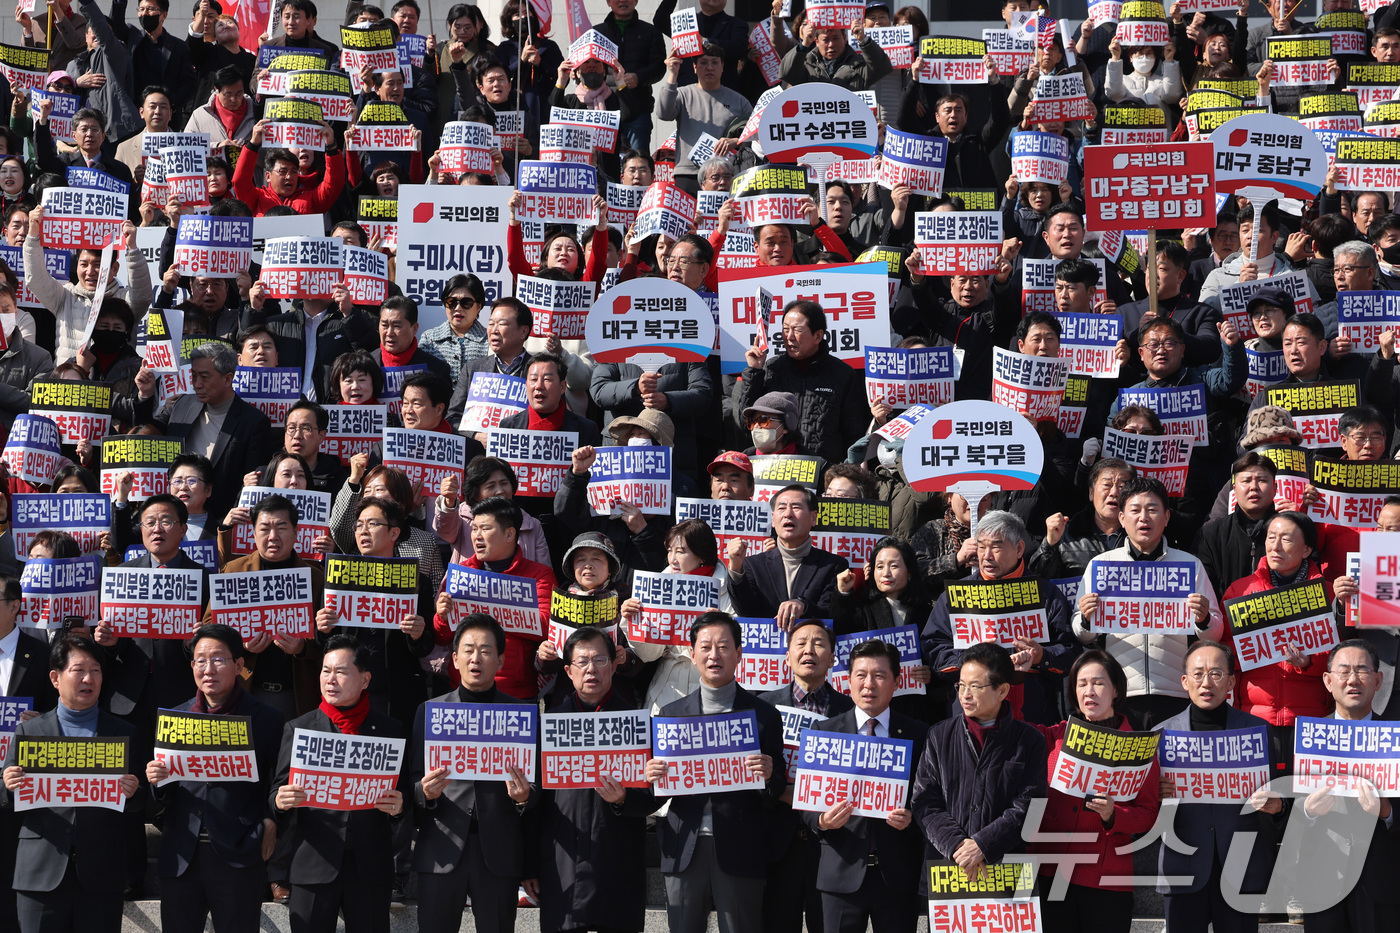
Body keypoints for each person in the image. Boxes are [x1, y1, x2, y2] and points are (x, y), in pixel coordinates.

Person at [645, 611, 786, 933]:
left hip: (740, 846)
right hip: (683, 846)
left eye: (723, 646)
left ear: (738, 653)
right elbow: (657, 791)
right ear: (691, 654)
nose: (714, 654)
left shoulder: (764, 715)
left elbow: (776, 788)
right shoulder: (670, 715)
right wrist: (651, 776)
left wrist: (767, 774)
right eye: (705, 646)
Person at [145, 623, 284, 933]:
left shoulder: (267, 720)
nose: (208, 668)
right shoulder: (173, 719)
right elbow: (164, 797)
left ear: (238, 664)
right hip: (181, 856)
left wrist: (271, 820)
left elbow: (280, 780)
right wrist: (158, 779)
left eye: (218, 659)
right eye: (200, 660)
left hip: (239, 853)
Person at [3, 633, 145, 933]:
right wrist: (8, 784)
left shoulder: (123, 733)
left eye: (95, 670)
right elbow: (7, 799)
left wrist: (132, 793)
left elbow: (138, 802)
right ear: (56, 678)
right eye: (78, 670)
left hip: (101, 876)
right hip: (40, 873)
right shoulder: (30, 732)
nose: (88, 678)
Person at [270, 635, 407, 933]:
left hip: (370, 866)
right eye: (325, 671)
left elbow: (407, 797)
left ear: (365, 678)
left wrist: (400, 805)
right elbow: (275, 795)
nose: (330, 679)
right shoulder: (299, 729)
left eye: (341, 672)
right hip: (312, 864)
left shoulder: (389, 731)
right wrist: (280, 801)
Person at [410, 614, 537, 933]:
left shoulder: (522, 716)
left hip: (499, 853)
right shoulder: (429, 712)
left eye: (485, 650)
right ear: (454, 658)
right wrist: (425, 793)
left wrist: (524, 798)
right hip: (441, 850)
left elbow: (539, 789)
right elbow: (411, 781)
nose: (475, 658)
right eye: (467, 650)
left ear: (501, 659)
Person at [1073, 477, 1226, 729]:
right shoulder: (1102, 566)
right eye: (1135, 510)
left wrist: (1204, 619)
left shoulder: (1189, 566)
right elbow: (1081, 634)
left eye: (1153, 510)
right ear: (1122, 518)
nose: (1144, 517)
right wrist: (1087, 619)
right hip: (1120, 693)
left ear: (1166, 517)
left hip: (1175, 692)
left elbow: (1216, 632)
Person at [1027, 650, 1161, 933]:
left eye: (1099, 683)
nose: (1089, 691)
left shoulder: (1139, 747)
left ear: (1116, 690)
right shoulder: (1053, 736)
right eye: (1081, 683)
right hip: (1052, 871)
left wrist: (1114, 815)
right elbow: (1008, 728)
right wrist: (1018, 678)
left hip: (1107, 877)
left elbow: (1148, 813)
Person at [534, 626, 656, 933]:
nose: (591, 669)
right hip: (561, 866)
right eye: (582, 661)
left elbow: (658, 792)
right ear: (568, 670)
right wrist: (527, 866)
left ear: (614, 666)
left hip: (617, 863)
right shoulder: (549, 727)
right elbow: (534, 803)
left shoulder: (638, 724)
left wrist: (625, 799)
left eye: (600, 660)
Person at [1155, 640, 1282, 933]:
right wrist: (1155, 795)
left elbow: (1278, 798)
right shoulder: (1160, 736)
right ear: (1185, 681)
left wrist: (1278, 806)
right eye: (1198, 674)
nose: (1206, 682)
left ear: (1231, 682)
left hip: (1242, 868)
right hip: (1182, 867)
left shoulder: (1258, 733)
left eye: (1216, 673)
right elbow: (1145, 814)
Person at [804, 638, 927, 933]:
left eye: (879, 675)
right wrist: (821, 820)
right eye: (860, 675)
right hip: (839, 874)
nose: (868, 684)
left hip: (897, 875)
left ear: (897, 682)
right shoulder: (825, 731)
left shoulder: (919, 734)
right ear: (848, 681)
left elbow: (930, 800)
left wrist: (912, 821)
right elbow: (805, 803)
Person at [923, 510, 1079, 725]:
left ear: (1019, 549)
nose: (986, 556)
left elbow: (1071, 651)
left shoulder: (1045, 594)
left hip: (1032, 712)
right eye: (981, 546)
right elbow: (933, 647)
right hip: (971, 713)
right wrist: (968, 658)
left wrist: (1042, 655)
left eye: (996, 547)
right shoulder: (958, 594)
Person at [911, 642, 1046, 882]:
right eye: (961, 685)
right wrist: (958, 846)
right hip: (949, 871)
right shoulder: (939, 735)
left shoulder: (1029, 740)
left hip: (1007, 873)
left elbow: (1031, 808)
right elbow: (925, 802)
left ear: (1002, 690)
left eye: (975, 686)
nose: (964, 695)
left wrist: (983, 845)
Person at [1292, 639, 1400, 930]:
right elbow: (1282, 815)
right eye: (1344, 671)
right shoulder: (1304, 739)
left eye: (1363, 670)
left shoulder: (1396, 740)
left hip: (1382, 885)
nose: (1353, 679)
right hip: (1321, 885)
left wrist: (1388, 812)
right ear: (1327, 681)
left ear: (1378, 680)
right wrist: (1307, 812)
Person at [759, 617, 854, 933]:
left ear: (832, 657)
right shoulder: (761, 708)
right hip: (774, 844)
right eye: (800, 643)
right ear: (787, 657)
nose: (809, 650)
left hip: (831, 846)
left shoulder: (852, 712)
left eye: (818, 643)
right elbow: (752, 779)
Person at [121, 342, 277, 521]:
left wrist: (225, 523)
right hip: (172, 518)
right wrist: (145, 394)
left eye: (204, 377)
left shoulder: (254, 422)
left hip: (218, 523)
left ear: (227, 379)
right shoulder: (183, 404)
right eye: (193, 376)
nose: (197, 384)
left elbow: (254, 484)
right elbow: (146, 436)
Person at [313, 497, 432, 726]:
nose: (363, 531)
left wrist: (418, 635)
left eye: (372, 524)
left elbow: (426, 646)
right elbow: (323, 642)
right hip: (347, 694)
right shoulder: (338, 575)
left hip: (396, 692)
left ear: (394, 533)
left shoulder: (416, 582)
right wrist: (324, 628)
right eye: (359, 525)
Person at [209, 495, 324, 719]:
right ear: (253, 533)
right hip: (245, 688)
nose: (273, 536)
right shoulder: (233, 572)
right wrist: (240, 645)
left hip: (297, 694)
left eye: (281, 527)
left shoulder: (315, 579)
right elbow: (209, 626)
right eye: (264, 528)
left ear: (296, 533)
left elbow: (330, 637)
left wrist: (302, 648)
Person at [429, 496, 554, 700]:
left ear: (509, 534)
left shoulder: (538, 575)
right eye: (475, 528)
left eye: (485, 529)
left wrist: (490, 608)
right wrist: (442, 616)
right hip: (463, 691)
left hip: (518, 694)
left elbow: (546, 625)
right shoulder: (461, 574)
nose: (477, 535)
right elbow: (442, 637)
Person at [735, 300, 871, 465]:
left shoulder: (843, 374)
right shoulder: (771, 369)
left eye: (797, 329)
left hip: (823, 474)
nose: (789, 336)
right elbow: (744, 424)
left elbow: (854, 434)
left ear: (818, 336)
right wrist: (754, 371)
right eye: (785, 329)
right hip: (772, 470)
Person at [23, 207, 150, 364]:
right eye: (84, 264)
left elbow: (143, 296)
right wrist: (33, 236)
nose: (90, 271)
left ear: (115, 269)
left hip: (114, 383)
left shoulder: (124, 300)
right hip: (70, 383)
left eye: (98, 265)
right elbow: (36, 279)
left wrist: (133, 249)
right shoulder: (65, 296)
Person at [727, 484, 848, 626]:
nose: (788, 514)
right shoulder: (752, 565)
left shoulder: (833, 565)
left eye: (796, 507)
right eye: (782, 508)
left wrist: (804, 605)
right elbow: (746, 612)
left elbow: (833, 617)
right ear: (773, 519)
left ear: (813, 517)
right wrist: (735, 568)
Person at [655, 43, 750, 192]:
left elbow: (755, 136)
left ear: (722, 66)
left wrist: (735, 141)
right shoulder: (683, 94)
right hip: (687, 173)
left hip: (724, 177)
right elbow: (663, 113)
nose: (709, 67)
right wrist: (672, 74)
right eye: (703, 63)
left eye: (714, 63)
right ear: (694, 67)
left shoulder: (739, 101)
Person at [372, 296, 453, 385]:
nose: (389, 333)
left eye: (397, 326)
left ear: (414, 329)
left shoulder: (436, 369)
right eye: (384, 325)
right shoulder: (367, 364)